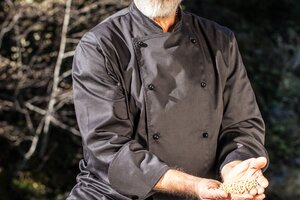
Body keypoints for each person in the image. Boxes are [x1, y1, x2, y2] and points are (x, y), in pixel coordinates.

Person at [67, 0, 269, 199]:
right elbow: (107, 146)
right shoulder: (101, 45)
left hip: (209, 193)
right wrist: (195, 186)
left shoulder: (220, 41)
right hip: (113, 195)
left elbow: (242, 126)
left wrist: (235, 168)